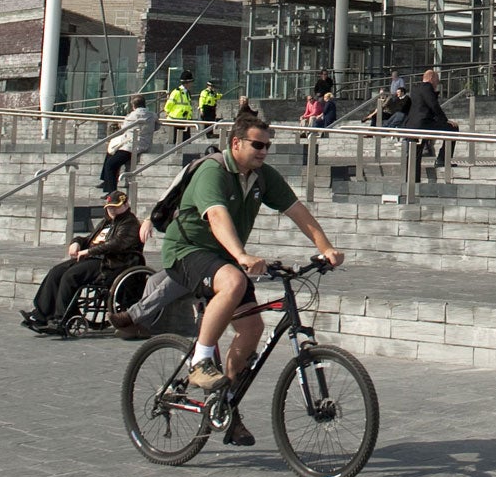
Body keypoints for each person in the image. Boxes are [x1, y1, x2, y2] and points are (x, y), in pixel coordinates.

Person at [117, 113, 343, 448]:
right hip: (187, 251)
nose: (264, 151)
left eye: (267, 145)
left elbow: (296, 210)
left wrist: (325, 247)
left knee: (252, 330)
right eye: (258, 145)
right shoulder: (213, 170)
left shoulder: (262, 177)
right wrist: (241, 255)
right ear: (236, 143)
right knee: (234, 282)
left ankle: (227, 403)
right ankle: (201, 361)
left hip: (222, 258)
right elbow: (218, 216)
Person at [23, 190, 144, 334]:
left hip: (113, 262)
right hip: (93, 258)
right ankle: (41, 315)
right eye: (110, 207)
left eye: (116, 207)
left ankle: (61, 318)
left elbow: (116, 244)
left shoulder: (129, 223)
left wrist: (89, 251)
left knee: (71, 275)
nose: (112, 210)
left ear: (125, 205)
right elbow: (89, 239)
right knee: (56, 271)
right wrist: (76, 242)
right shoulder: (106, 222)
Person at [404, 68, 456, 179]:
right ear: (431, 78)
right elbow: (433, 105)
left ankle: (411, 179)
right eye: (437, 81)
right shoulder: (427, 87)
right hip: (423, 123)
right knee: (452, 128)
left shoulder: (415, 88)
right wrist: (445, 120)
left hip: (412, 124)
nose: (437, 84)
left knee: (415, 153)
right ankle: (443, 159)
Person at [101, 95, 155, 196]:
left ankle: (112, 193)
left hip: (131, 146)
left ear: (133, 105)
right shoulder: (152, 115)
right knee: (110, 153)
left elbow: (123, 128)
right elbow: (156, 126)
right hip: (143, 143)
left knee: (111, 164)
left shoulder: (132, 116)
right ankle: (105, 182)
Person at [163, 74, 196, 142]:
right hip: (177, 120)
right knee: (177, 140)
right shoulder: (176, 92)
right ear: (187, 83)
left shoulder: (187, 92)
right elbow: (168, 105)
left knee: (185, 140)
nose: (192, 84)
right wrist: (167, 113)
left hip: (185, 119)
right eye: (191, 82)